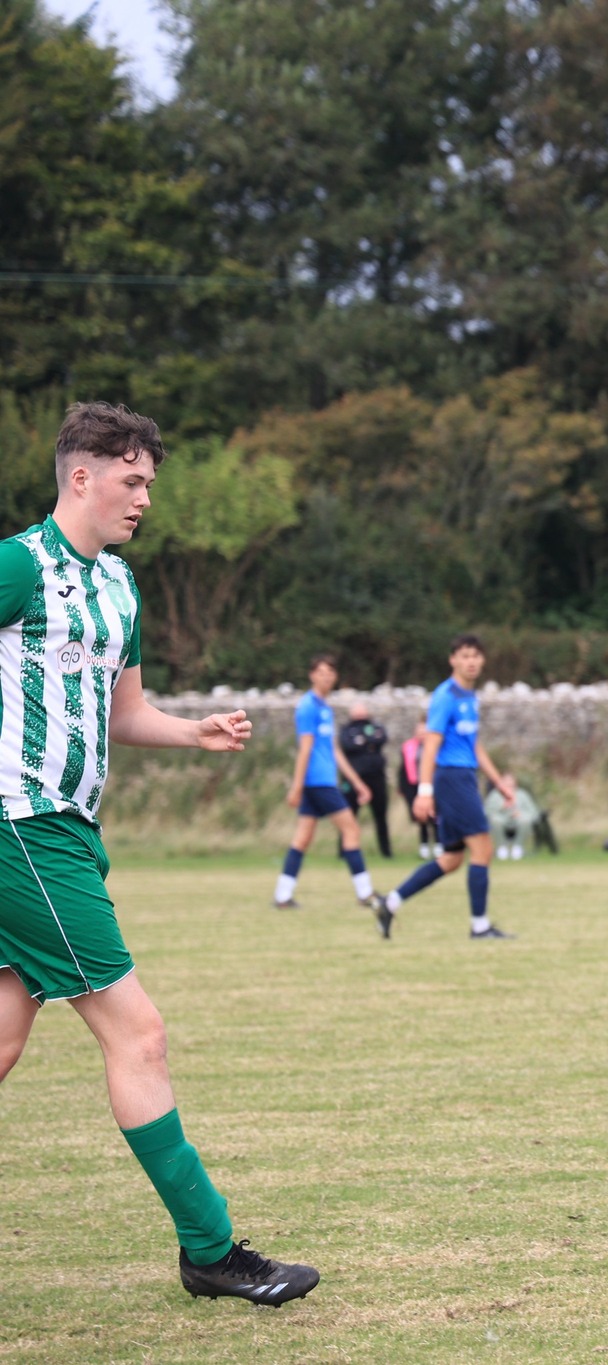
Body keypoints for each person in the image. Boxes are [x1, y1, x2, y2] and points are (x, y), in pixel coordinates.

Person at [0, 401, 319, 1304]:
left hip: (67, 834)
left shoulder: (119, 588)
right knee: (139, 1034)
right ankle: (211, 1249)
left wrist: (196, 733)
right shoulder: (20, 566)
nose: (144, 498)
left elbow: (124, 714)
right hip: (20, 828)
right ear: (81, 476)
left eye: (150, 483)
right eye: (132, 480)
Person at [377, 635, 518, 940]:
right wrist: (424, 791)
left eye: (476, 655)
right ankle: (480, 927)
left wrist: (499, 784)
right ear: (452, 659)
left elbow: (475, 746)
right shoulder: (445, 696)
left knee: (452, 859)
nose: (471, 661)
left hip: (464, 777)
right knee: (483, 849)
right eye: (465, 655)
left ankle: (390, 903)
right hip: (452, 779)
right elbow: (430, 745)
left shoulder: (470, 698)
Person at [273, 654, 377, 910]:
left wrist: (357, 783)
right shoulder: (308, 707)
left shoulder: (325, 708)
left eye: (331, 672)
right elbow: (305, 749)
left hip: (322, 781)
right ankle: (365, 893)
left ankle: (282, 896)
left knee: (302, 838)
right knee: (351, 830)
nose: (327, 676)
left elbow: (334, 750)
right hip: (318, 782)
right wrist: (297, 786)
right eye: (321, 672)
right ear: (312, 675)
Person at [340, 702, 392, 859]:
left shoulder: (375, 725)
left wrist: (362, 740)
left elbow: (381, 738)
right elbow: (347, 745)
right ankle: (344, 852)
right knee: (348, 816)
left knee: (381, 816)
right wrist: (368, 742)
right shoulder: (346, 729)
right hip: (353, 778)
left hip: (376, 778)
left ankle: (386, 852)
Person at [398, 718, 434, 859]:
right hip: (413, 786)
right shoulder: (408, 747)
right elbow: (403, 769)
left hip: (432, 785)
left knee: (435, 818)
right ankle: (424, 847)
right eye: (419, 731)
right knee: (421, 818)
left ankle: (439, 846)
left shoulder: (434, 746)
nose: (421, 734)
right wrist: (402, 787)